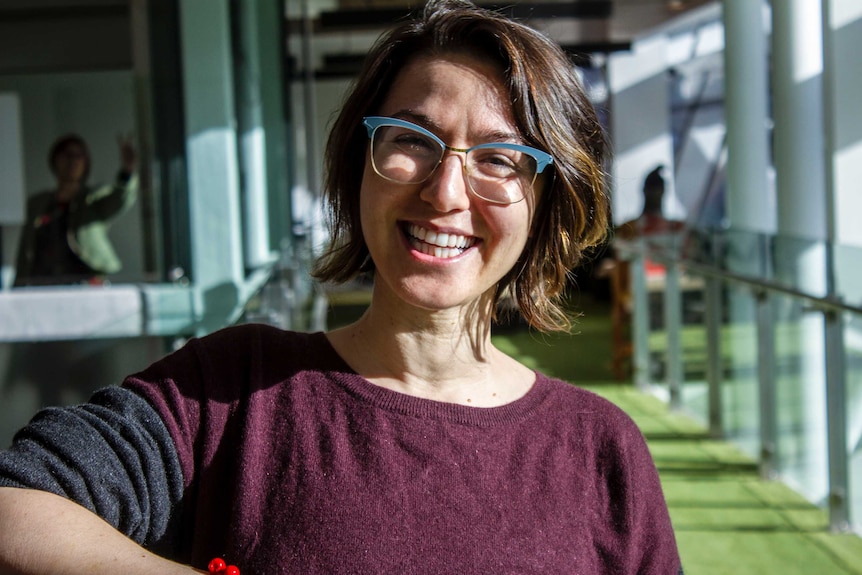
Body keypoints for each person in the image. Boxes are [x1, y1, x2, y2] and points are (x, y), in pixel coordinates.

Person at [0, 1, 682, 573]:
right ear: (361, 168)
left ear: (545, 202)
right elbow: (15, 501)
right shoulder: (234, 391)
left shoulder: (601, 448)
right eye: (412, 139)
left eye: (499, 158)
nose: (445, 191)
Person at [13, 133, 138, 287]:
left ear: (86, 162)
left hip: (85, 281)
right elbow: (26, 247)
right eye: (67, 155)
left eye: (78, 156)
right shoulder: (37, 203)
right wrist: (17, 287)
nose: (72, 161)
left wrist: (128, 172)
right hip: (44, 284)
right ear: (55, 160)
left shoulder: (93, 198)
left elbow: (120, 198)